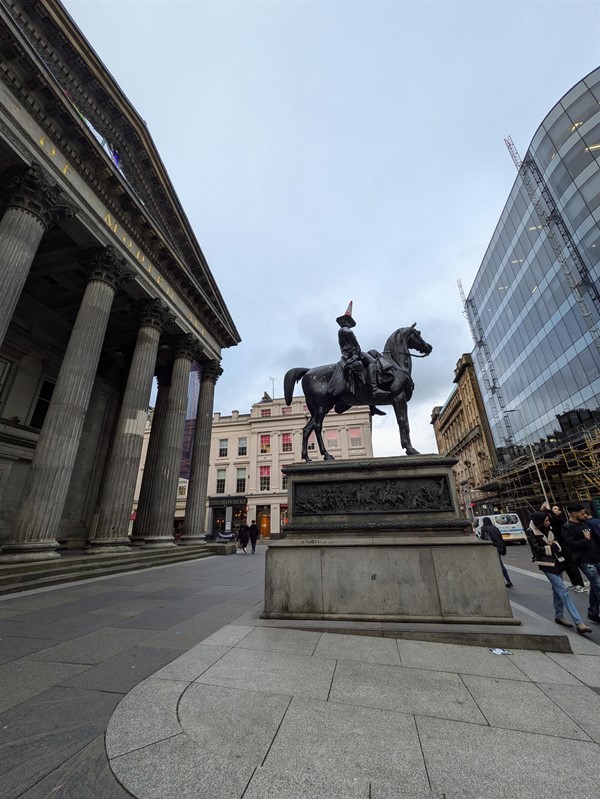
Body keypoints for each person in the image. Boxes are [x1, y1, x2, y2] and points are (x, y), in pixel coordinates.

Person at [526, 510, 591, 635]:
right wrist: (550, 547)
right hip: (547, 564)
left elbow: (556, 541)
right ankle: (579, 622)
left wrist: (554, 544)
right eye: (546, 520)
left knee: (557, 591)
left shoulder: (549, 528)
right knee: (563, 591)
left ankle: (559, 615)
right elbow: (536, 549)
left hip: (558, 562)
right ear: (540, 522)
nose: (548, 522)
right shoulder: (531, 532)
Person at [329, 302, 385, 416]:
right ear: (343, 322)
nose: (347, 323)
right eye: (346, 321)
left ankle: (372, 405)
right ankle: (374, 389)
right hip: (351, 354)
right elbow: (355, 345)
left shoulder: (343, 331)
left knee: (373, 353)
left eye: (348, 321)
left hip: (354, 353)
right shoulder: (345, 330)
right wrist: (357, 353)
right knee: (373, 362)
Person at [562, 503, 600, 625]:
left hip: (596, 557)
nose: (584, 515)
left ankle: (593, 612)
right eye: (582, 513)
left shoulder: (585, 524)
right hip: (585, 561)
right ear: (574, 513)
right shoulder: (567, 527)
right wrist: (585, 540)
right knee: (599, 586)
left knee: (595, 587)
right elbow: (571, 545)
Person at [545, 503, 586, 591]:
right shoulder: (552, 519)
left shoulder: (561, 518)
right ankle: (574, 582)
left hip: (565, 544)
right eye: (553, 509)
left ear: (560, 511)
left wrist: (548, 510)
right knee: (566, 565)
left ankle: (580, 583)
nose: (553, 510)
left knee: (571, 564)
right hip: (559, 545)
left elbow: (556, 519)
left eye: (555, 508)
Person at [480, 516, 513, 588]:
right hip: (500, 547)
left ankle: (497, 581)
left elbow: (483, 538)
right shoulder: (495, 528)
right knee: (500, 564)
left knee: (494, 565)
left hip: (492, 548)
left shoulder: (484, 528)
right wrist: (504, 549)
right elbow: (501, 539)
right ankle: (508, 580)